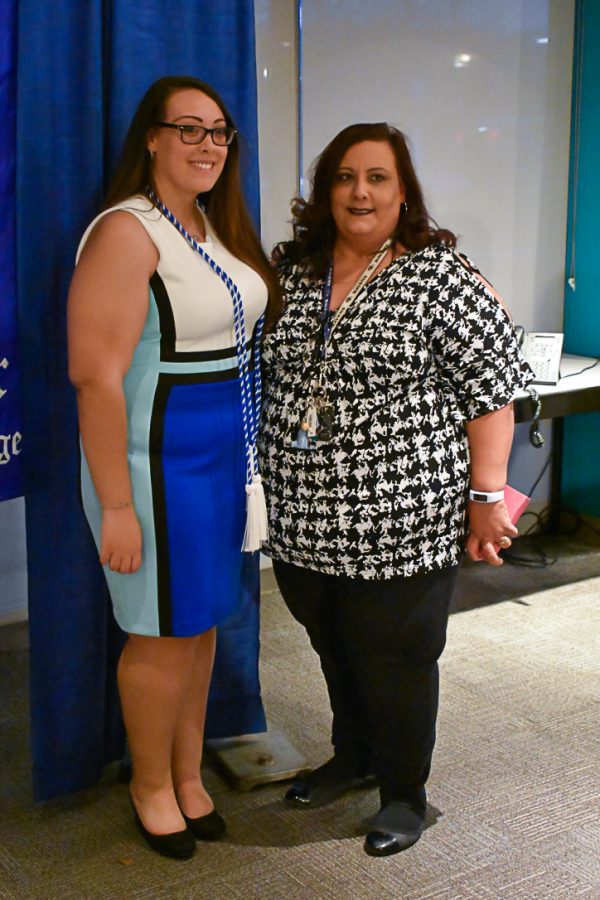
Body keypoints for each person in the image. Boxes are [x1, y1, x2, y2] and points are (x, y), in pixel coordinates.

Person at [260, 122, 533, 857]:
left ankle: (405, 794)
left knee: (398, 659)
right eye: (345, 176)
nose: (359, 191)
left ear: (402, 189)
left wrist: (486, 497)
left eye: (377, 177)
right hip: (302, 520)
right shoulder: (293, 273)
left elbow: (493, 394)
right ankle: (355, 756)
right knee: (334, 647)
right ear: (325, 191)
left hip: (400, 520)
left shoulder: (438, 276)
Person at [67, 75, 280, 860]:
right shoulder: (128, 231)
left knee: (199, 626)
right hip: (153, 463)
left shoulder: (207, 225)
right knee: (160, 634)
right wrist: (116, 506)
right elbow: (95, 374)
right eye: (187, 129)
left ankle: (187, 775)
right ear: (150, 139)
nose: (207, 146)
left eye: (219, 132)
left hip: (222, 456)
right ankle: (149, 786)